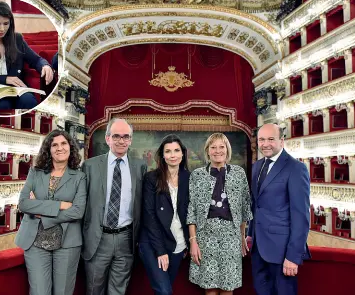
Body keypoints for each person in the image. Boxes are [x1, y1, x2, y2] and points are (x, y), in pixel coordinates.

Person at [15, 130, 87, 295]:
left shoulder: (80, 177)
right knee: (39, 291)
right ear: (48, 149)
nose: (59, 148)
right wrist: (60, 204)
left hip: (67, 243)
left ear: (71, 147)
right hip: (35, 242)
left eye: (63, 143)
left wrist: (42, 212)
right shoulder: (35, 172)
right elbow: (24, 204)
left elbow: (77, 211)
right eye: (54, 145)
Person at [82, 118, 147, 295]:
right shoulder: (90, 166)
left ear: (131, 140)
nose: (121, 140)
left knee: (118, 291)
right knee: (94, 289)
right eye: (116, 136)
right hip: (97, 238)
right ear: (107, 138)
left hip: (126, 239)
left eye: (126, 136)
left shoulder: (140, 167)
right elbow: (81, 204)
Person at [247, 123, 311, 295]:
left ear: (281, 141)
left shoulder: (296, 168)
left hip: (283, 252)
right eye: (261, 140)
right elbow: (256, 205)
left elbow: (301, 216)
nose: (265, 144)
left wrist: (293, 256)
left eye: (270, 139)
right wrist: (249, 233)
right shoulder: (256, 167)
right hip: (258, 249)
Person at [187, 133, 252, 295]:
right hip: (205, 237)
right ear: (207, 151)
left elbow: (244, 208)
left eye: (221, 147)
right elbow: (192, 210)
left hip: (231, 236)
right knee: (210, 288)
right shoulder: (197, 175)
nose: (217, 151)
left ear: (227, 149)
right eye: (213, 147)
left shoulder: (238, 173)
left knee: (227, 286)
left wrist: (242, 236)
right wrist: (193, 242)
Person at [0, 1, 54, 109]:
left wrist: (45, 65)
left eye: (6, 23)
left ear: (11, 23)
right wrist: (5, 79)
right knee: (4, 104)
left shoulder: (17, 39)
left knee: (29, 100)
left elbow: (36, 60)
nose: (2, 29)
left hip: (15, 89)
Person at [139, 134, 191, 295]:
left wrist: (190, 242)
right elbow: (149, 216)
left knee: (164, 289)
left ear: (183, 153)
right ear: (162, 155)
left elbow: (192, 212)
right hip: (153, 242)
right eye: (168, 151)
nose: (173, 155)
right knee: (164, 290)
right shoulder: (151, 178)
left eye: (176, 150)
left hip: (178, 243)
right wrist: (160, 251)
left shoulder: (190, 178)